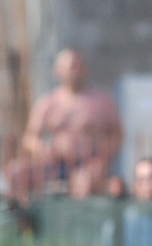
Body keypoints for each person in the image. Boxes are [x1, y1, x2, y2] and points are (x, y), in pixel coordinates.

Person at [7, 49, 122, 206]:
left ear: (84, 69)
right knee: (17, 171)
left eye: (76, 66)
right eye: (68, 67)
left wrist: (102, 158)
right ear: (58, 71)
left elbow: (117, 135)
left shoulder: (101, 101)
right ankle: (24, 221)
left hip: (87, 164)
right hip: (54, 165)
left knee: (85, 182)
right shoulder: (48, 103)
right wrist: (42, 149)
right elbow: (30, 137)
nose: (72, 71)